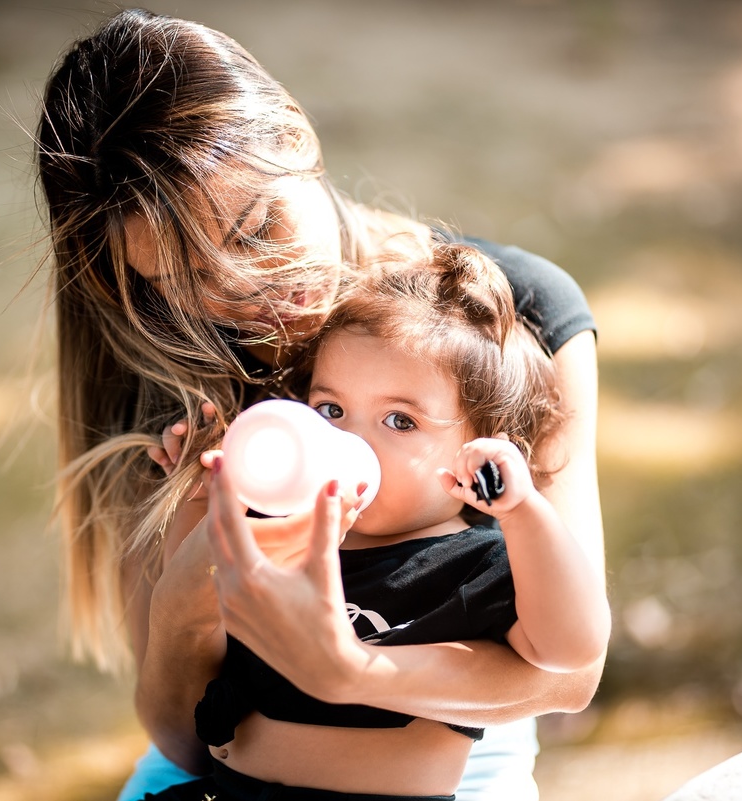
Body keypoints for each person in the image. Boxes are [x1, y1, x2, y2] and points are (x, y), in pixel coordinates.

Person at [34, 9, 605, 801]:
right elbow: (184, 742)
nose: (248, 289)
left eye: (256, 226)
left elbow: (569, 676)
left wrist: (351, 671)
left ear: (295, 135)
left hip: (455, 742)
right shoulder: (173, 383)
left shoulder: (509, 321)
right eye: (187, 279)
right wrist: (185, 605)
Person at [152, 243, 611, 801]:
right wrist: (203, 495)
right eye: (331, 410)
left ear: (479, 449)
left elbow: (571, 649)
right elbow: (192, 595)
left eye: (399, 420)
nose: (348, 440)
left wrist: (523, 512)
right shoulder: (280, 526)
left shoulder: (473, 564)